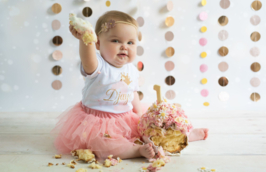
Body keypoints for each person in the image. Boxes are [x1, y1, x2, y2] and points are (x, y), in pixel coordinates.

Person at [51, 10, 208, 162]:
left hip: (125, 118)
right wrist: (85, 40)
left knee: (152, 129)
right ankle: (136, 151)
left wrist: (140, 116)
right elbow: (88, 59)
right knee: (100, 145)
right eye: (116, 40)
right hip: (97, 122)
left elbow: (132, 93)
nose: (124, 46)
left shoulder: (131, 69)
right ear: (98, 43)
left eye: (130, 42)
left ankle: (184, 136)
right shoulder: (99, 66)